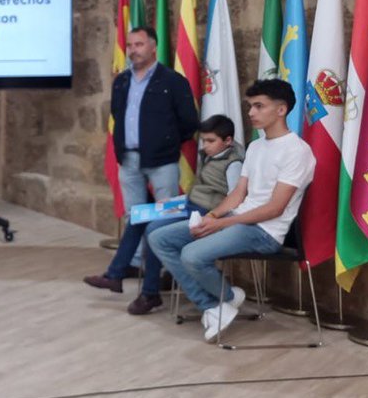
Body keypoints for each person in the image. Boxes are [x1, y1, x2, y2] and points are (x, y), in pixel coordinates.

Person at [147, 79, 316, 342]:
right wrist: (212, 216)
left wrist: (221, 224)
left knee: (191, 254)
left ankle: (221, 301)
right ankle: (215, 304)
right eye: (250, 106)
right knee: (161, 238)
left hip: (264, 232)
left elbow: (275, 208)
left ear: (281, 110)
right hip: (237, 220)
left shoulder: (298, 151)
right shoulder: (256, 146)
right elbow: (238, 194)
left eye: (259, 106)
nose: (251, 113)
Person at [83, 115, 245, 314]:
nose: (205, 145)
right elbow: (201, 190)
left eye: (211, 141)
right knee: (138, 216)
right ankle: (115, 274)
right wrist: (173, 202)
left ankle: (150, 292)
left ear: (227, 141)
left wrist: (213, 218)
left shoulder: (233, 164)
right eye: (204, 141)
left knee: (153, 231)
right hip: (188, 204)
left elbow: (234, 198)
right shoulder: (209, 156)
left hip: (204, 213)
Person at [110, 26, 199, 267]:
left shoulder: (172, 80)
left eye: (139, 45)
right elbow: (116, 114)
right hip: (128, 160)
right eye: (129, 46)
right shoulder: (121, 81)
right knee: (134, 214)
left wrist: (166, 142)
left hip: (163, 160)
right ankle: (138, 264)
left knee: (165, 216)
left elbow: (189, 120)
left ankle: (161, 269)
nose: (132, 50)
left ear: (153, 47)